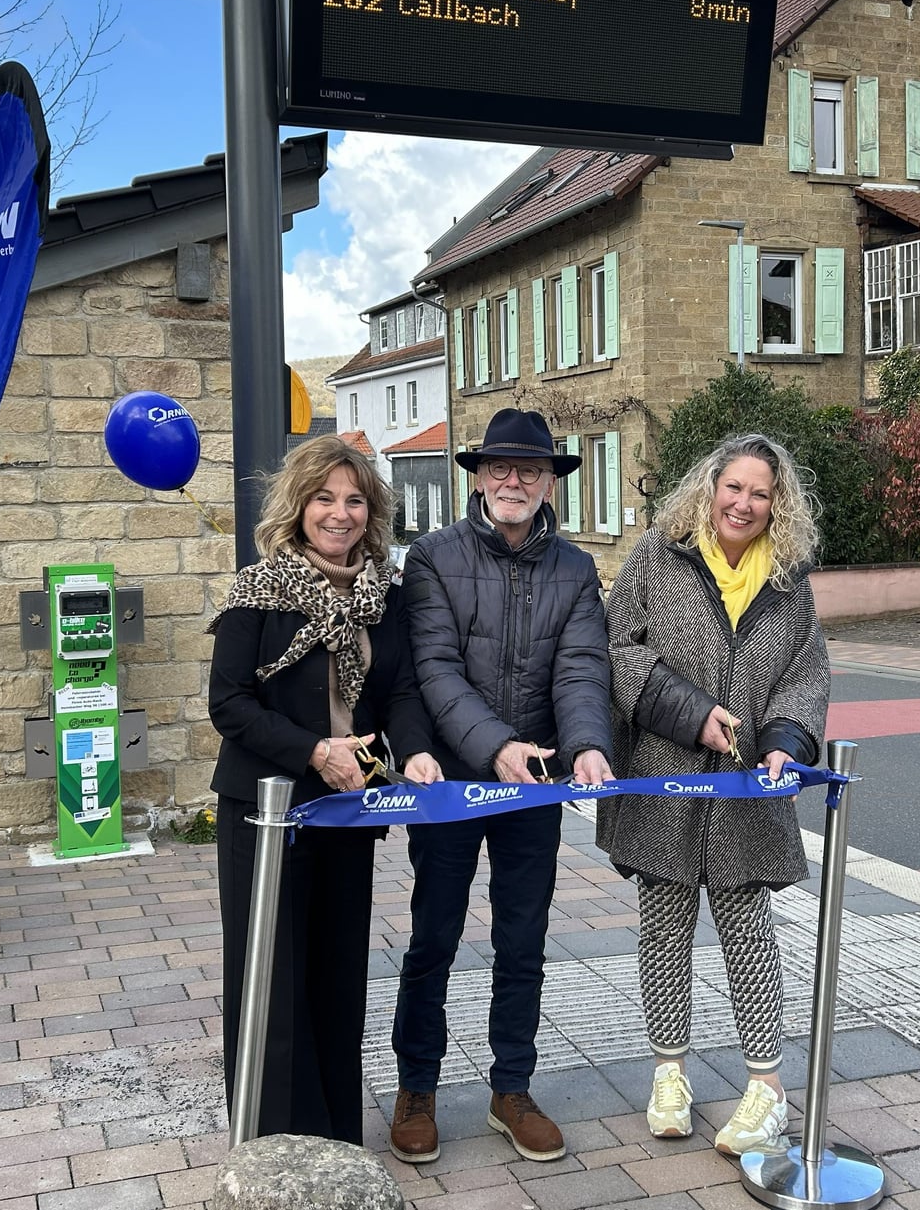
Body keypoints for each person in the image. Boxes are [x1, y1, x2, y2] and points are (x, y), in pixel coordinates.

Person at [388, 408, 615, 1165]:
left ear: (551, 482)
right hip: (454, 783)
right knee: (434, 937)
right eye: (499, 467)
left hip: (534, 788)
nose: (513, 479)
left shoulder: (576, 570)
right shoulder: (432, 557)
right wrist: (495, 747)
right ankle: (416, 1087)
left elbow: (581, 668)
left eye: (530, 468)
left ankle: (511, 1088)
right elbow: (435, 669)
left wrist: (586, 745)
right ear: (480, 477)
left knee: (524, 941)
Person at [595, 432, 831, 1156]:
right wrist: (690, 712)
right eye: (735, 487)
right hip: (662, 777)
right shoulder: (658, 556)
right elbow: (617, 649)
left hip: (744, 787)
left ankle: (766, 1088)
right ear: (710, 487)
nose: (744, 503)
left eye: (761, 493)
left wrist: (786, 744)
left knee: (748, 933)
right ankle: (669, 1074)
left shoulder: (788, 580)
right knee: (663, 930)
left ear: (778, 504)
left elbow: (805, 674)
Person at [207, 433, 442, 1141]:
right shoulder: (258, 589)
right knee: (272, 978)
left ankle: (337, 1138)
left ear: (372, 512)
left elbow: (400, 692)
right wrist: (314, 751)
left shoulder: (385, 596)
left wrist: (417, 753)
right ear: (298, 506)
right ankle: (276, 1142)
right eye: (324, 498)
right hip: (267, 812)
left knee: (339, 973)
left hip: (348, 806)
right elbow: (229, 703)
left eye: (355, 500)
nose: (340, 513)